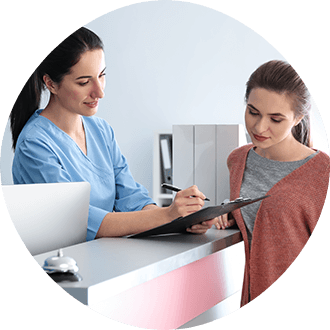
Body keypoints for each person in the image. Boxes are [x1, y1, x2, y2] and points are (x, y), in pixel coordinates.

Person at [10, 27, 216, 241]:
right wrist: (167, 215)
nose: (99, 92)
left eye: (102, 75)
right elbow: (82, 222)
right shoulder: (34, 144)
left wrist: (181, 219)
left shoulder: (101, 130)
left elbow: (132, 198)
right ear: (51, 83)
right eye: (84, 82)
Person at [216, 60, 330, 306]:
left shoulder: (324, 173)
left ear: (298, 117)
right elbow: (271, 221)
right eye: (253, 112)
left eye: (276, 119)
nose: (259, 127)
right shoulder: (237, 160)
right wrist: (226, 212)